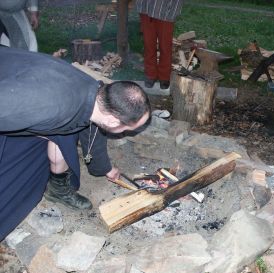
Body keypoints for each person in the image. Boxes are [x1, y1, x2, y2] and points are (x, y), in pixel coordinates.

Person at [0, 47, 151, 241]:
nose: (126, 133)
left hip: (25, 92)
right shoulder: (44, 105)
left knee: (66, 136)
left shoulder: (95, 95)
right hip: (10, 98)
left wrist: (105, 168)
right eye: (127, 129)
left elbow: (92, 129)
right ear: (114, 121)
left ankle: (57, 188)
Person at [136, 0, 184, 89]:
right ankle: (150, 74)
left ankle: (164, 77)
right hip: (146, 8)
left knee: (165, 46)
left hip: (166, 9)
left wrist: (174, 10)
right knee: (148, 44)